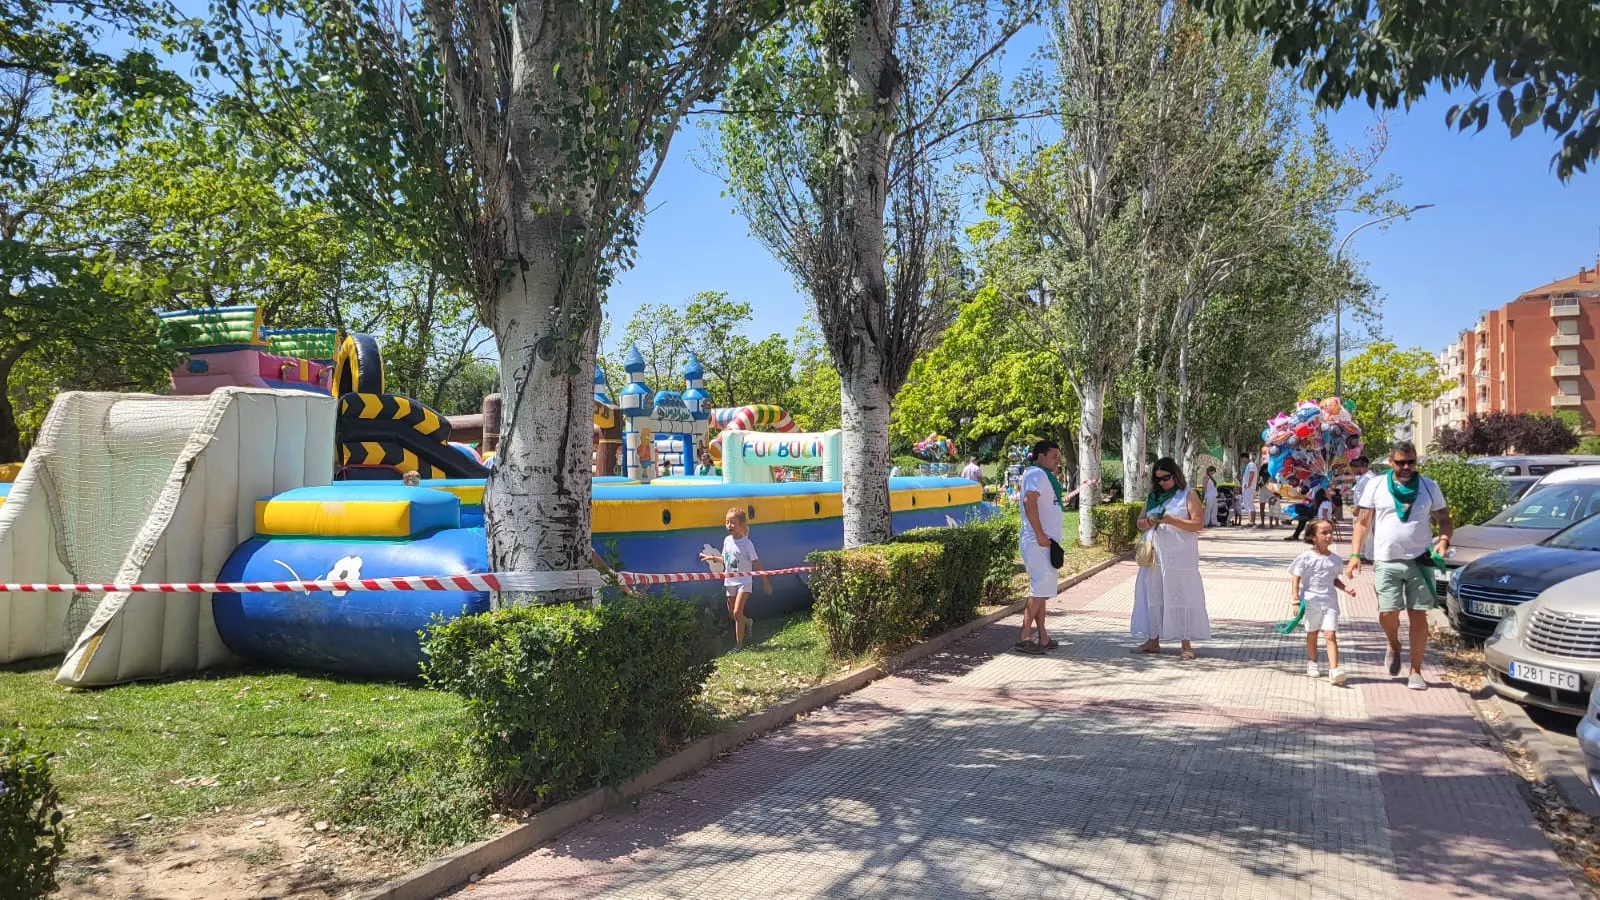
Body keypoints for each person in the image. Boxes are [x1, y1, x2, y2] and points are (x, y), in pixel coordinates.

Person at [1346, 442, 1452, 690]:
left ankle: (1416, 671)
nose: (1406, 467)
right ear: (1390, 462)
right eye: (1400, 462)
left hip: (1420, 560)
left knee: (1418, 615)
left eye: (1410, 462)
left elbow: (1444, 519)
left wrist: (1444, 540)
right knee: (1388, 613)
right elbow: (1362, 523)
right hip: (1386, 558)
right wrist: (1354, 555)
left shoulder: (1429, 486)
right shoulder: (1376, 485)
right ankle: (1393, 643)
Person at [1016, 440, 1097, 654]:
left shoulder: (1044, 476)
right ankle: (1025, 636)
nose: (1057, 461)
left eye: (1058, 457)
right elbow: (1029, 501)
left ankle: (1043, 636)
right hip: (1038, 541)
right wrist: (1039, 533)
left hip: (1046, 541)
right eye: (1053, 457)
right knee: (1039, 589)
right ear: (1040, 456)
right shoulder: (1036, 474)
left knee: (1041, 590)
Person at [1131, 457, 1210, 660]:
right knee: (1153, 593)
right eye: (1157, 479)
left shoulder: (1188, 494)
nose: (1162, 483)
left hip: (1180, 558)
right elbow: (1139, 523)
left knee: (1181, 595)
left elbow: (1198, 524)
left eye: (1165, 478)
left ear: (1175, 476)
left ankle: (1186, 644)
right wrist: (1149, 521)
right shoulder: (1153, 496)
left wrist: (1172, 520)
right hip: (1155, 557)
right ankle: (1153, 640)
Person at [1291, 518, 1357, 685]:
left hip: (1329, 600)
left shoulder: (1335, 559)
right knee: (1312, 632)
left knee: (1330, 634)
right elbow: (1296, 578)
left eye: (1330, 532)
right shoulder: (1305, 558)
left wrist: (1346, 589)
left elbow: (1333, 579)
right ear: (1313, 536)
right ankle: (1312, 662)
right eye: (1324, 533)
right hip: (1311, 600)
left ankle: (1334, 669)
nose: (1329, 536)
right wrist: (1295, 600)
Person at [699, 507, 771, 650]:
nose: (729, 525)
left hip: (744, 581)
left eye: (733, 522)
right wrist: (712, 558)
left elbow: (756, 563)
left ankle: (739, 645)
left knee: (738, 612)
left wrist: (766, 582)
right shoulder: (727, 541)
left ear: (742, 524)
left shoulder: (747, 544)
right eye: (727, 522)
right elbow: (727, 560)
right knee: (733, 614)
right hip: (729, 580)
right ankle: (748, 622)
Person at [1347, 455, 1374, 557]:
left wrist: (1357, 509)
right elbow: (1353, 479)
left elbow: (1366, 496)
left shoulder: (1368, 479)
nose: (1353, 471)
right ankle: (1362, 553)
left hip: (1365, 509)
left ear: (1363, 466)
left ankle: (1369, 555)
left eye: (1354, 468)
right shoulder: (1362, 477)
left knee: (1367, 532)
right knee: (1361, 531)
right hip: (1361, 509)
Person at [1241, 453, 1260, 527]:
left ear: (1245, 458)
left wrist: (1249, 484)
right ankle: (1251, 521)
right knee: (1248, 503)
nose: (1242, 461)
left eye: (1242, 459)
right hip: (1249, 487)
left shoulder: (1251, 465)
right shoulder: (1250, 465)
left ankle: (1251, 521)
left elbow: (1251, 474)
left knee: (1249, 504)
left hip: (1249, 487)